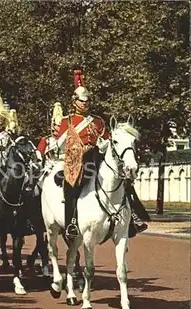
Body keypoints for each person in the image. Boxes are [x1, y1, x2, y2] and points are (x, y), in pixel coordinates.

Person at [59, 69, 147, 240]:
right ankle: (72, 222)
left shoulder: (98, 121)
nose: (86, 103)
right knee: (71, 186)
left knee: (123, 180)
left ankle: (133, 218)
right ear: (74, 102)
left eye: (88, 100)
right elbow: (60, 145)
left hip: (98, 157)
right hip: (77, 160)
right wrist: (77, 147)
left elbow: (107, 140)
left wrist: (104, 144)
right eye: (82, 101)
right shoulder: (66, 121)